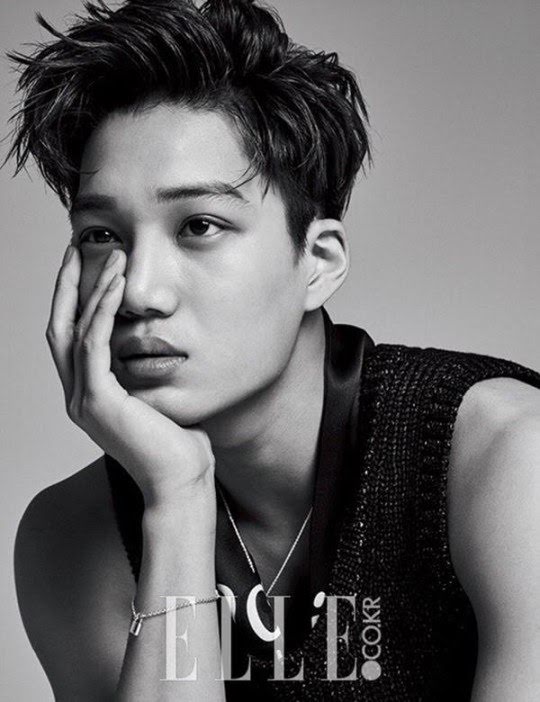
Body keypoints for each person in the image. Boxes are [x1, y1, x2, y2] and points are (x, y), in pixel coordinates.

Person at [7, 0, 540, 700]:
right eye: (101, 236)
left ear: (318, 261)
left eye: (199, 225)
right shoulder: (74, 538)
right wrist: (176, 502)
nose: (138, 290)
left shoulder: (509, 461)